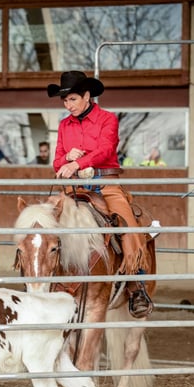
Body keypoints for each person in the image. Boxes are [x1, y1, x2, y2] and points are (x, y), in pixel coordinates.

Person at [48, 70, 153, 318]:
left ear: (87, 96)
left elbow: (107, 149)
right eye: (65, 100)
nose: (67, 105)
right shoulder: (64, 125)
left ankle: (136, 286)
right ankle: (45, 279)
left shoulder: (108, 119)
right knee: (46, 221)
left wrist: (78, 163)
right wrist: (66, 158)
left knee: (126, 222)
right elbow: (56, 162)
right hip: (74, 187)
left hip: (105, 182)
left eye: (72, 99)